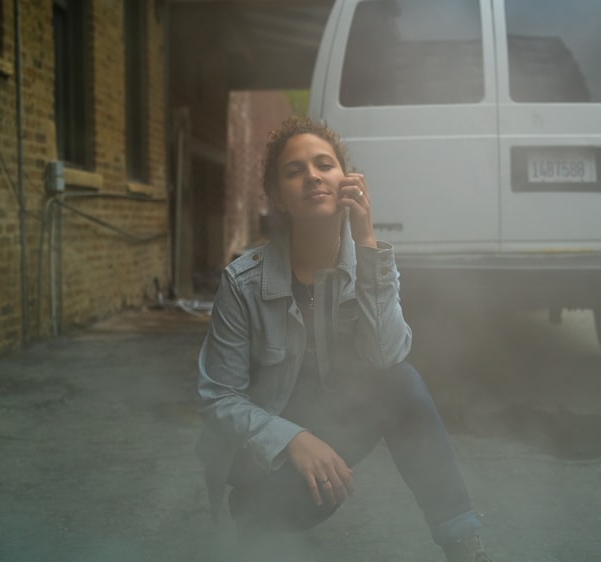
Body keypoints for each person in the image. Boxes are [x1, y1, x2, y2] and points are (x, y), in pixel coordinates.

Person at [196, 117, 493, 562]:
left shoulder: (368, 263)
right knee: (265, 538)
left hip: (334, 434)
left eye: (324, 164)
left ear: (347, 182)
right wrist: (292, 439)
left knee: (401, 382)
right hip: (266, 463)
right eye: (294, 171)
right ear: (277, 196)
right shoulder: (243, 282)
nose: (312, 175)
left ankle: (463, 546)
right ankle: (257, 516)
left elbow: (387, 354)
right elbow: (219, 397)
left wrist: (368, 240)